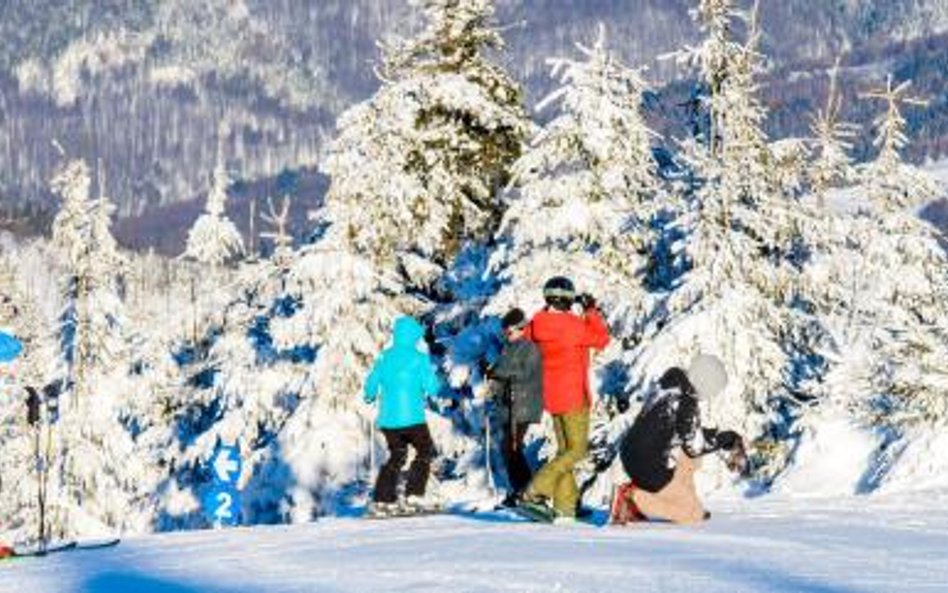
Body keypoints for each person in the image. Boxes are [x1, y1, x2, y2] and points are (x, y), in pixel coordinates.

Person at [610, 354, 745, 525]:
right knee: (691, 515)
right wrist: (726, 439)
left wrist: (717, 436)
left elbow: (686, 434)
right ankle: (631, 498)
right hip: (648, 467)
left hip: (631, 452)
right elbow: (694, 447)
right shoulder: (687, 401)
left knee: (689, 459)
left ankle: (681, 499)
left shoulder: (671, 385)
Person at [521, 276, 610, 520]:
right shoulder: (573, 326)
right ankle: (535, 491)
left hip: (551, 396)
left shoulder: (537, 323)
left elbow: (526, 336)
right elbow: (602, 339)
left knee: (564, 450)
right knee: (577, 450)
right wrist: (590, 310)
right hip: (573, 396)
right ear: (569, 299)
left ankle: (566, 506)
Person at [364, 316, 443, 516]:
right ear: (414, 336)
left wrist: (370, 394)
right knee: (424, 451)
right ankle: (414, 494)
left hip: (389, 421)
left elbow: (372, 381)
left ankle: (382, 498)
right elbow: (432, 387)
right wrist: (435, 384)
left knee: (397, 455)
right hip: (413, 419)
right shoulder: (419, 358)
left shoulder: (385, 356)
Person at [487, 308, 543, 507]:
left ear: (521, 329)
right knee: (509, 449)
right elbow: (502, 374)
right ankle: (520, 490)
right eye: (505, 333)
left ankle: (528, 491)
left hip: (523, 405)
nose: (506, 336)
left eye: (509, 332)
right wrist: (493, 382)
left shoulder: (530, 348)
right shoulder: (508, 348)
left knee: (512, 448)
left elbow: (524, 372)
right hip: (508, 406)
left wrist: (498, 372)